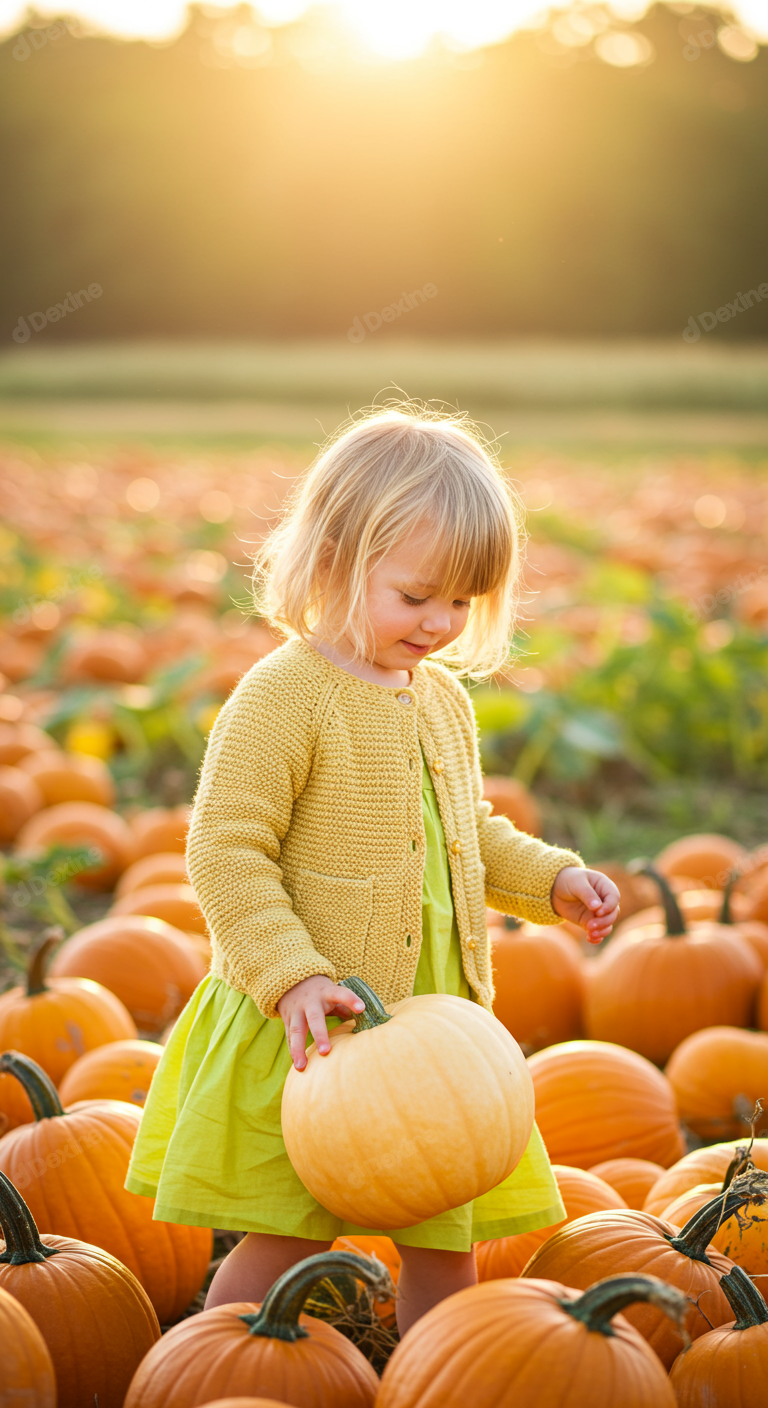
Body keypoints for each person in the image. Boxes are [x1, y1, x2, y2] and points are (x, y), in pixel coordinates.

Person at [125, 406, 620, 1334]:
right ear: (332, 562)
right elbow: (226, 845)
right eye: (417, 595)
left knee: (446, 1235)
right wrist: (292, 972)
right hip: (311, 1025)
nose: (439, 623)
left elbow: (467, 833)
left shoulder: (442, 703)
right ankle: (215, 1362)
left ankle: (441, 1367)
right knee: (288, 1235)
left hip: (432, 1035)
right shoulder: (285, 694)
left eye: (463, 604)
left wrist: (551, 880)